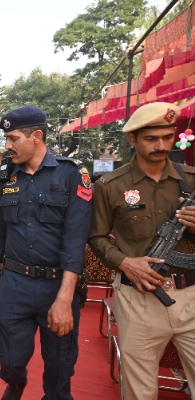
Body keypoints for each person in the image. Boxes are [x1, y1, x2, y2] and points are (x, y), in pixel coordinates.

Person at [89, 102, 195, 400]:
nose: (161, 146)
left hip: (191, 295)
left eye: (168, 137)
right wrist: (124, 262)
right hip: (139, 299)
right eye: (151, 139)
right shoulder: (110, 185)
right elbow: (96, 237)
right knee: (139, 392)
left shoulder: (191, 179)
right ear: (132, 138)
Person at [0, 106, 92, 400]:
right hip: (14, 282)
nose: (7, 145)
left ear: (36, 136)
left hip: (57, 285)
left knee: (59, 364)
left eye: (13, 138)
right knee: (7, 355)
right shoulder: (7, 174)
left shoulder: (72, 173)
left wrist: (65, 298)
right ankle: (15, 383)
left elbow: (76, 239)